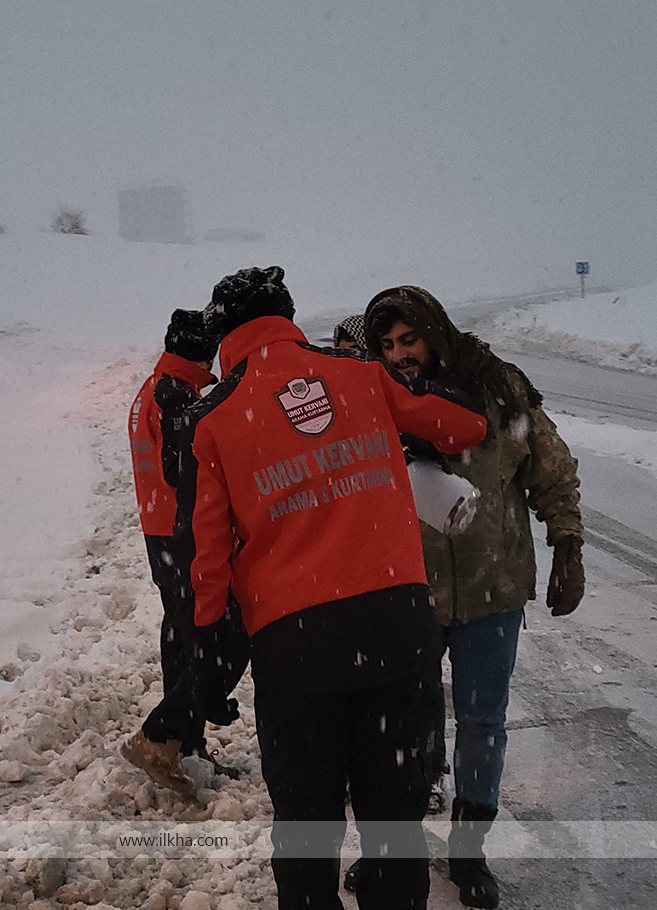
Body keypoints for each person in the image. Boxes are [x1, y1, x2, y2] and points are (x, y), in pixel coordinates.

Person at [180, 267, 487, 910]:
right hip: (396, 629)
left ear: (225, 336)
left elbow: (206, 561)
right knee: (393, 830)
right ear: (287, 317)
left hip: (295, 649)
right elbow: (466, 426)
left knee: (306, 832)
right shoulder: (361, 375)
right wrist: (405, 399)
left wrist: (208, 661)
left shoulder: (212, 421)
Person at [362, 286, 585, 910]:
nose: (401, 354)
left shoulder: (500, 387)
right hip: (408, 590)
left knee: (482, 722)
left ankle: (468, 850)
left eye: (410, 340)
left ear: (436, 330)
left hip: (493, 588)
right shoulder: (377, 396)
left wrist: (567, 541)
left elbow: (551, 465)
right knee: (402, 720)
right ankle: (390, 849)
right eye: (388, 345)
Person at [122, 309, 249, 798]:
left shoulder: (153, 387)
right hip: (186, 533)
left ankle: (185, 746)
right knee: (218, 640)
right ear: (203, 351)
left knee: (182, 635)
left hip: (161, 531)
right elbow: (183, 472)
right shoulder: (179, 395)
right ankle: (164, 735)